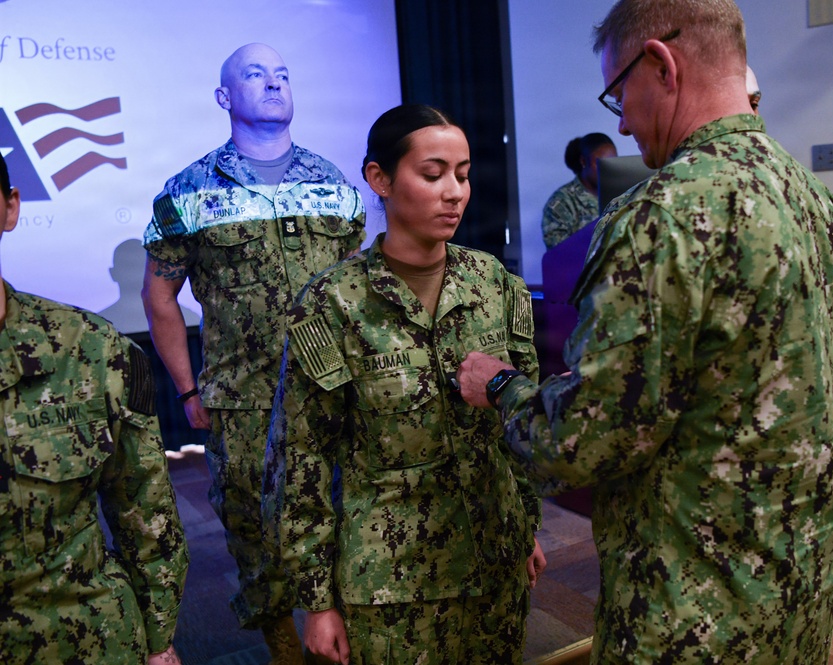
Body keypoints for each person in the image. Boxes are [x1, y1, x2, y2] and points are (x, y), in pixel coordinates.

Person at [457, 1, 833, 663]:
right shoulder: (812, 196)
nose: (618, 119)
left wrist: (499, 385)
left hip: (695, 611)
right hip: (801, 589)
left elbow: (578, 443)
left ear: (662, 64)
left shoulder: (661, 214)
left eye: (618, 90)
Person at [263, 104, 545, 664]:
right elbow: (300, 459)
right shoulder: (334, 304)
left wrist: (527, 524)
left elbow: (523, 421)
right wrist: (318, 601)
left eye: (463, 175)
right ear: (380, 179)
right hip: (392, 583)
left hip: (497, 562)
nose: (455, 193)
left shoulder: (495, 285)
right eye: (433, 174)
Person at [141, 43, 365, 663]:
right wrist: (188, 390)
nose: (273, 84)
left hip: (335, 390)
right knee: (253, 532)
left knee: (347, 514)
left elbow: (359, 286)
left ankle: (348, 630)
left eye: (283, 74)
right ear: (224, 97)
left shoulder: (331, 183)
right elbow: (159, 297)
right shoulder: (188, 192)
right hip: (244, 402)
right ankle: (283, 649)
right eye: (255, 75)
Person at [0, 153, 188, 663]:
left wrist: (159, 638)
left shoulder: (90, 348)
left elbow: (145, 510)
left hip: (85, 636)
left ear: (10, 208)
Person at [541, 133, 617, 249]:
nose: (608, 170)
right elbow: (560, 256)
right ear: (583, 162)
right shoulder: (561, 203)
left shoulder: (621, 194)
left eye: (612, 163)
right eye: (601, 163)